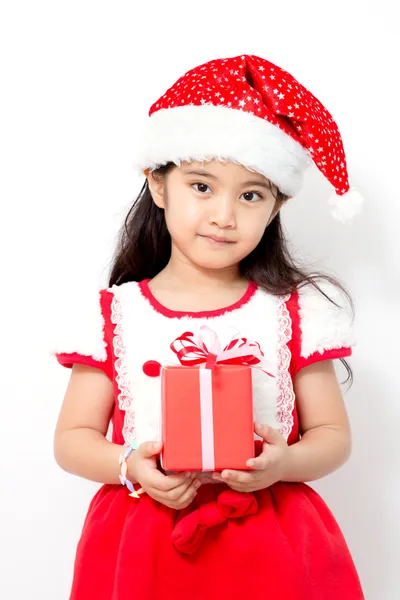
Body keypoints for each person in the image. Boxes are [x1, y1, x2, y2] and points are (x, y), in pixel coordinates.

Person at [52, 54, 365, 599]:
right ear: (157, 185)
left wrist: (283, 462)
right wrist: (129, 465)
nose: (224, 215)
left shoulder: (292, 312)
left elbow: (333, 438)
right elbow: (72, 440)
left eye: (250, 195)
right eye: (202, 186)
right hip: (143, 540)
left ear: (274, 208)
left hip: (271, 540)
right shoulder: (115, 315)